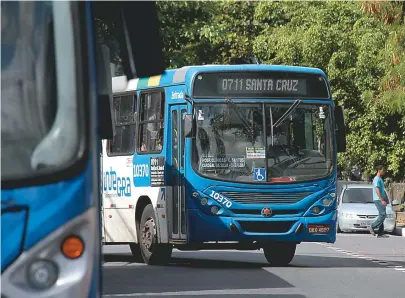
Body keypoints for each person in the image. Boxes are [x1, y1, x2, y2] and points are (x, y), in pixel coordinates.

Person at [369, 165, 389, 238]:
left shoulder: (380, 179)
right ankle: (372, 226)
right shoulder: (376, 179)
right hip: (378, 199)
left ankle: (380, 233)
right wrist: (382, 200)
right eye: (383, 170)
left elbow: (382, 190)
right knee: (383, 215)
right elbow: (377, 190)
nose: (384, 171)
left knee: (381, 215)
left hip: (380, 199)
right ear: (379, 170)